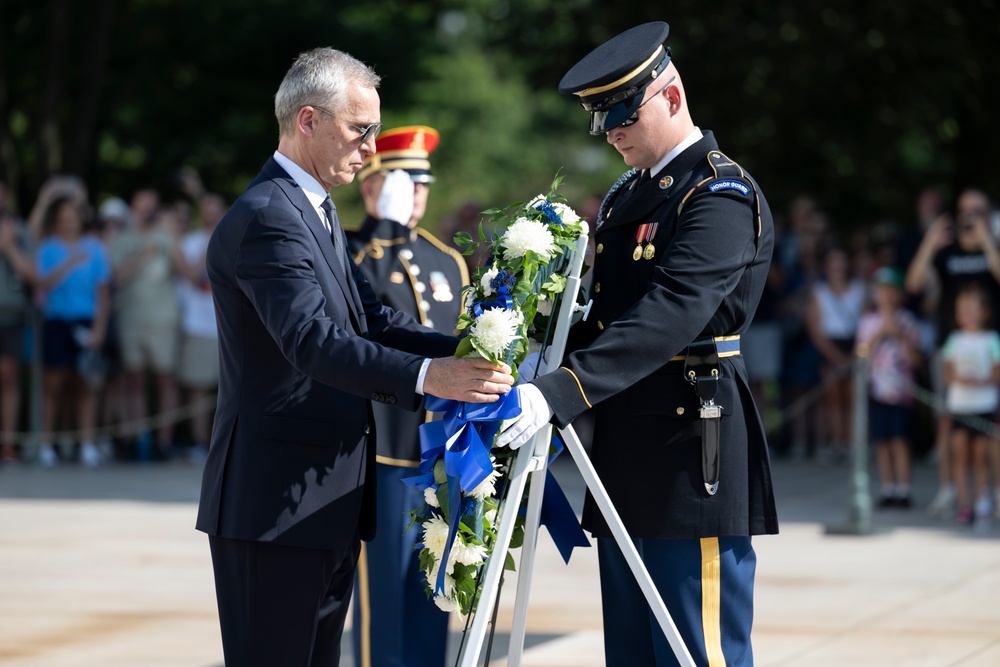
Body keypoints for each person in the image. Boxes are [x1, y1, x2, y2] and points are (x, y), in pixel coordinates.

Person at [194, 47, 513, 667]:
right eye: (359, 129)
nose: (372, 146)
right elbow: (313, 342)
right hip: (276, 505)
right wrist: (433, 377)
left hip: (323, 500)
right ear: (308, 121)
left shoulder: (314, 211)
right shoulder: (269, 216)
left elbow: (377, 321)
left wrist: (479, 353)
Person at [498, 22, 778, 667]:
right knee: (631, 649)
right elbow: (608, 311)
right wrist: (535, 351)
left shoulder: (718, 193)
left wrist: (561, 390)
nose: (611, 131)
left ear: (672, 97)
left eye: (623, 113)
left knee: (695, 647)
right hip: (625, 443)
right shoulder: (631, 191)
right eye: (602, 118)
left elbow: (674, 310)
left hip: (691, 447)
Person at [345, 125, 468, 667]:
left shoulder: (448, 261)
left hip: (441, 453)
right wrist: (386, 228)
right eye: (401, 183)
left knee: (435, 586)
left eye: (421, 185)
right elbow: (362, 321)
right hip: (385, 450)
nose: (415, 194)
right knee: (386, 601)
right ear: (370, 186)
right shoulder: (351, 250)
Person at [906, 187, 1000, 517]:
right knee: (947, 422)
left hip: (992, 350)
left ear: (987, 214)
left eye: (977, 211)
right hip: (950, 350)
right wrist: (929, 243)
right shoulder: (946, 253)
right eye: (965, 212)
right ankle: (950, 490)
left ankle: (995, 492)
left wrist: (987, 242)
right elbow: (914, 284)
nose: (969, 218)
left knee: (994, 427)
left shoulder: (994, 249)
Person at [34, 196, 111, 468]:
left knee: (85, 384)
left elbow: (103, 292)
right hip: (56, 321)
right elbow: (41, 282)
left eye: (73, 216)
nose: (69, 222)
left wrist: (100, 328)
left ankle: (87, 444)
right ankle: (46, 444)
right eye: (64, 217)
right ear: (57, 220)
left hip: (85, 322)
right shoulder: (48, 248)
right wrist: (69, 263)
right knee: (53, 384)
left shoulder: (95, 248)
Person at [108, 202, 183, 459]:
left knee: (165, 379)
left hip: (163, 319)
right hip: (131, 318)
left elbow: (187, 271)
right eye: (142, 205)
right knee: (134, 379)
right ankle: (138, 440)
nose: (147, 210)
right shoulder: (122, 239)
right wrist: (142, 255)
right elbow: (115, 278)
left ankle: (164, 442)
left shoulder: (166, 236)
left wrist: (173, 235)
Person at [856, 267, 922, 508]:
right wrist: (880, 334)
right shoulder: (868, 321)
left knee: (900, 440)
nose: (887, 296)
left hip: (902, 393)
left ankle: (904, 488)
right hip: (876, 390)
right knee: (882, 441)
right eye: (882, 291)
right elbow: (861, 355)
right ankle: (888, 487)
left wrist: (899, 336)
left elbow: (915, 359)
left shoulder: (908, 321)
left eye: (892, 291)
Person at [941, 286, 1000, 526]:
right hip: (959, 406)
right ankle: (964, 504)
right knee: (960, 457)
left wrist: (980, 381)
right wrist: (959, 380)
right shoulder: (954, 339)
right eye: (961, 309)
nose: (965, 313)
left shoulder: (992, 339)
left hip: (984, 405)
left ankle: (982, 501)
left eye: (970, 308)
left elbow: (996, 372)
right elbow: (947, 372)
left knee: (980, 457)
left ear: (983, 312)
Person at [175, 192, 226, 461]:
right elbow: (191, 275)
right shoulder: (190, 242)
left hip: (226, 326)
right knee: (198, 389)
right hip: (197, 325)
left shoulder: (234, 237)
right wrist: (209, 243)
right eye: (205, 211)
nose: (210, 216)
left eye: (215, 210)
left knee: (227, 390)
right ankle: (198, 443)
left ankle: (222, 443)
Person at [806, 246, 865, 464]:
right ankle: (836, 443)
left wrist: (854, 354)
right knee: (832, 400)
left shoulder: (858, 288)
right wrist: (835, 356)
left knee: (853, 399)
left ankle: (852, 443)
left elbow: (865, 321)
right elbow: (815, 328)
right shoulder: (819, 291)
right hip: (830, 347)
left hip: (854, 346)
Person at [0, 206, 33, 463]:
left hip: (11, 319)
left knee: (9, 379)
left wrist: (9, 247)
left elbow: (34, 275)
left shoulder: (20, 239)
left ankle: (8, 443)